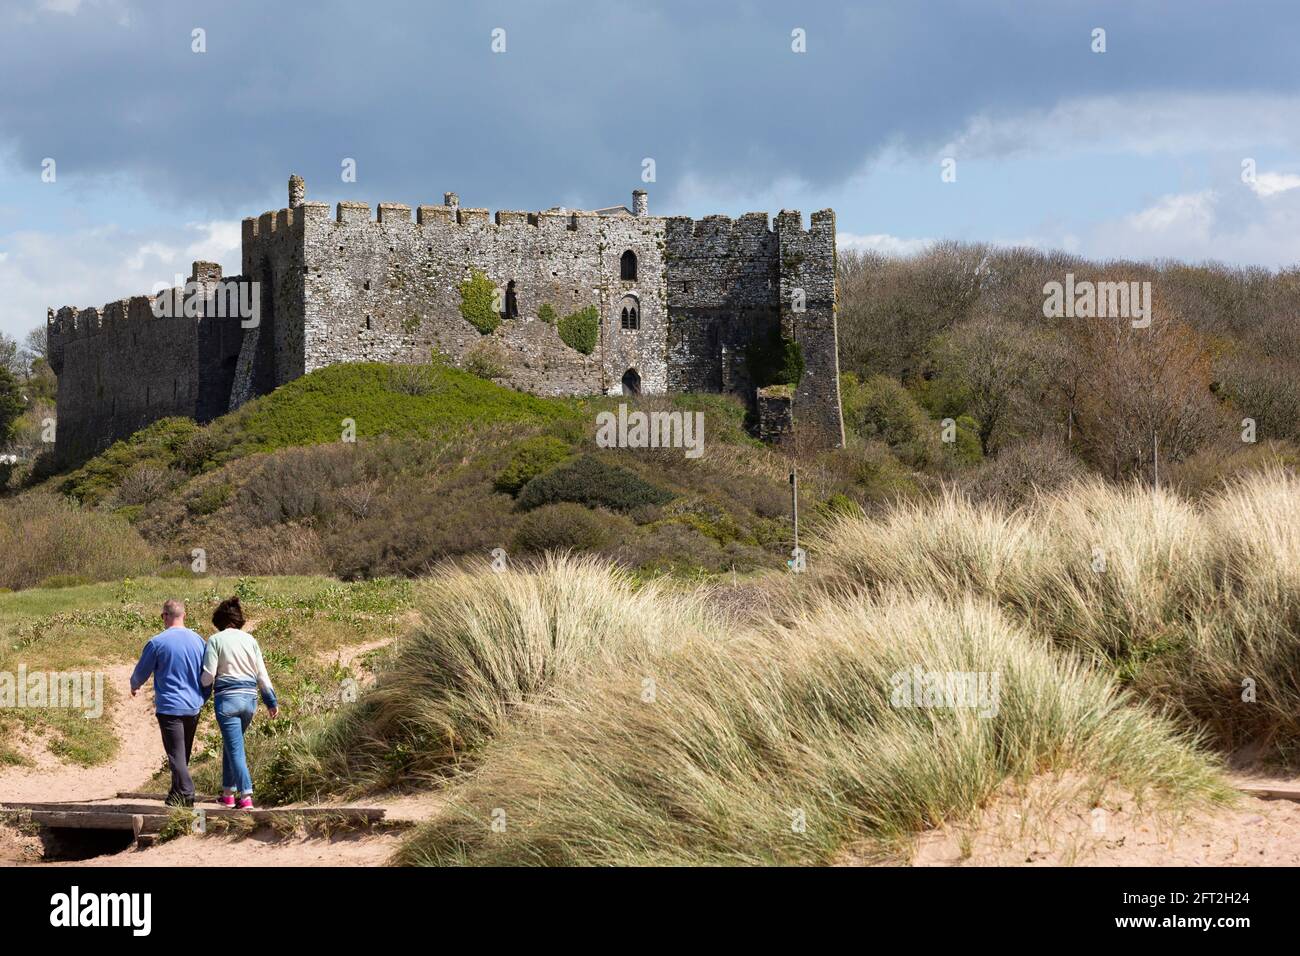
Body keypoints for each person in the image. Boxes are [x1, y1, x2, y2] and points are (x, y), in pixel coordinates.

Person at [200, 596, 278, 810]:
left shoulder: (215, 640)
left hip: (227, 702)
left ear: (219, 621)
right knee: (231, 744)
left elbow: (208, 674)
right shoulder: (250, 640)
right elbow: (262, 674)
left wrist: (200, 685)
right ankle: (228, 794)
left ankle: (246, 796)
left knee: (236, 749)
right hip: (250, 701)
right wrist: (271, 701)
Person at [130, 600, 209, 807]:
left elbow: (142, 670)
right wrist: (203, 696)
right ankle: (175, 795)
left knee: (176, 755)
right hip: (193, 705)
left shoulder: (157, 642)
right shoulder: (199, 641)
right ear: (184, 615)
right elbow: (208, 673)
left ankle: (187, 793)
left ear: (165, 616)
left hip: (170, 706)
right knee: (183, 754)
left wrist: (134, 684)